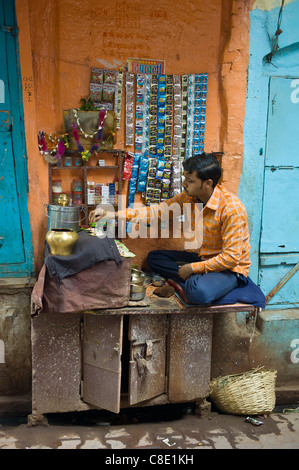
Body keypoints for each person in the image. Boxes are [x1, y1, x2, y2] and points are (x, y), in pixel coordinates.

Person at [89, 153, 255, 306]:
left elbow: (231, 257)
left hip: (228, 269)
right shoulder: (190, 197)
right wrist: (113, 214)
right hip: (204, 258)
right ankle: (192, 280)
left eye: (190, 180)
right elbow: (156, 212)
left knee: (199, 293)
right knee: (154, 258)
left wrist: (192, 269)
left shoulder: (231, 208)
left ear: (208, 183)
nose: (184, 184)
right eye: (185, 178)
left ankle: (194, 281)